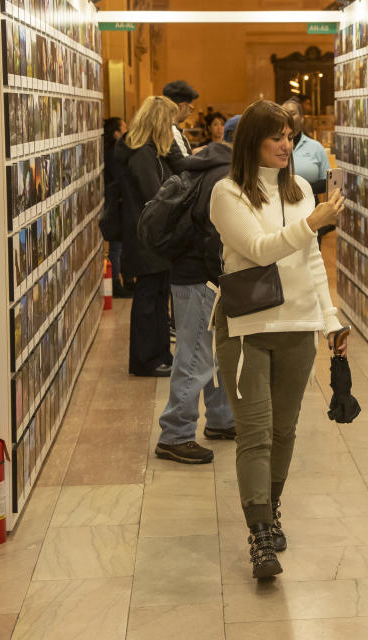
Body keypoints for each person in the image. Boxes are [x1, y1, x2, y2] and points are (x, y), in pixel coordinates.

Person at [210, 100, 344, 579]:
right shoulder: (227, 193)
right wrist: (313, 223)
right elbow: (260, 250)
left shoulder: (303, 189)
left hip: (298, 327)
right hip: (246, 329)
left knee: (285, 431)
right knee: (255, 433)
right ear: (253, 143)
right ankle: (260, 534)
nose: (287, 145)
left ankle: (273, 506)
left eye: (289, 136)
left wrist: (331, 322)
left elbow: (310, 262)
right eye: (276, 138)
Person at [155, 140, 236, 464]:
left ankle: (221, 419)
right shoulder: (224, 176)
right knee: (194, 356)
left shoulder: (206, 168)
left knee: (211, 351)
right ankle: (175, 434)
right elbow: (214, 234)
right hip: (200, 277)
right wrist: (221, 278)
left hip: (191, 274)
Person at [114, 96, 177, 377]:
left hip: (153, 238)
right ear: (159, 122)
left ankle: (161, 354)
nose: (172, 129)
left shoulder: (150, 152)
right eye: (170, 122)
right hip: (145, 239)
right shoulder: (141, 155)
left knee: (159, 296)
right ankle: (145, 360)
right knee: (148, 300)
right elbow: (155, 195)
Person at [282, 98, 333, 244]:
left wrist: (302, 188)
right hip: (282, 209)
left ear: (302, 117)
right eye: (284, 113)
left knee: (312, 252)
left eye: (292, 113)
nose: (288, 117)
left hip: (310, 209)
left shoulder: (315, 147)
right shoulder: (276, 146)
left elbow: (327, 182)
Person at [103, 117, 132, 298]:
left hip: (115, 203)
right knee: (117, 248)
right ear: (116, 133)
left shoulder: (112, 151)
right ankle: (115, 284)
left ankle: (122, 281)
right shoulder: (114, 153)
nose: (127, 129)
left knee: (119, 247)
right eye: (124, 127)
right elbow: (119, 177)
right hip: (116, 204)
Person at [162, 80, 199, 169]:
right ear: (181, 106)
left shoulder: (165, 127)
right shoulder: (172, 131)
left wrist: (193, 153)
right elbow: (184, 166)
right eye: (190, 108)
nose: (190, 112)